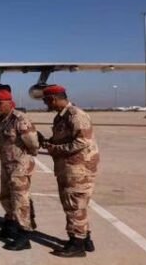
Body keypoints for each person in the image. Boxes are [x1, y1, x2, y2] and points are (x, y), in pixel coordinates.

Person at [39, 84, 99, 257]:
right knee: (77, 205)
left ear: (54, 99)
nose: (45, 104)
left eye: (46, 101)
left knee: (74, 205)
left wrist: (54, 149)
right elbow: (61, 140)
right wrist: (47, 142)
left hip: (79, 168)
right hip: (69, 167)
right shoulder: (61, 117)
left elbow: (81, 143)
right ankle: (85, 239)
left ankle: (77, 244)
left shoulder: (76, 116)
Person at [0, 89, 39, 251]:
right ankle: (10, 225)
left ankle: (24, 236)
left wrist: (23, 161)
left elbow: (33, 144)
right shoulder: (2, 121)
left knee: (20, 199)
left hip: (20, 165)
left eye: (0, 103)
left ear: (10, 103)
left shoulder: (20, 120)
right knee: (5, 197)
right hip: (6, 165)